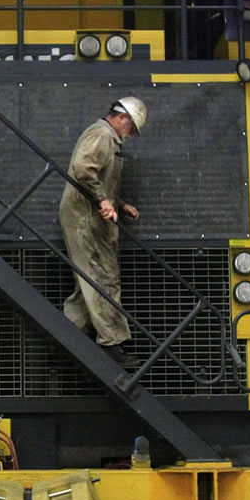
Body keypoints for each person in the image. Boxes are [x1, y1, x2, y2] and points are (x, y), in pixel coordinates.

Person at [59, 96, 147, 368]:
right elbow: (83, 169)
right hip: (85, 218)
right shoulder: (102, 134)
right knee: (102, 276)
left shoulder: (107, 137)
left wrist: (119, 203)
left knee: (88, 279)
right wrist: (103, 201)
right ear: (122, 118)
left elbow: (97, 177)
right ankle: (111, 343)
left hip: (88, 215)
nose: (130, 134)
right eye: (131, 128)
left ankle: (67, 337)